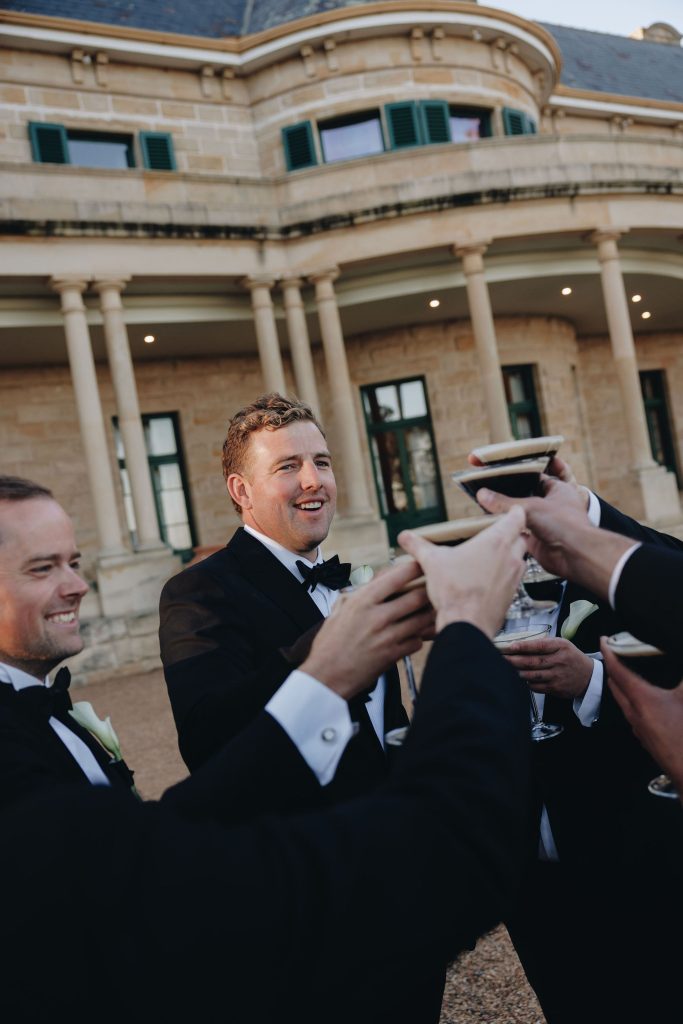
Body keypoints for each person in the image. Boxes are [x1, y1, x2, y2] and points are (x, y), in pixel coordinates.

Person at [0, 508, 534, 1024]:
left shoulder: (39, 717)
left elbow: (156, 837)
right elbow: (161, 874)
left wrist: (326, 677)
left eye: (73, 562)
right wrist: (468, 631)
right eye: (43, 568)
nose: (77, 585)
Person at [478, 474, 683, 1023]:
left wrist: (588, 681)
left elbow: (668, 692)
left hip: (624, 869)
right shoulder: (488, 596)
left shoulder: (637, 580)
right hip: (531, 884)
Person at [159, 394, 410, 803]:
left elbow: (384, 724)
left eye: (322, 462)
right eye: (288, 466)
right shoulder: (199, 592)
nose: (314, 480)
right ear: (242, 491)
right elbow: (207, 743)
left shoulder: (354, 584)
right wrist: (323, 648)